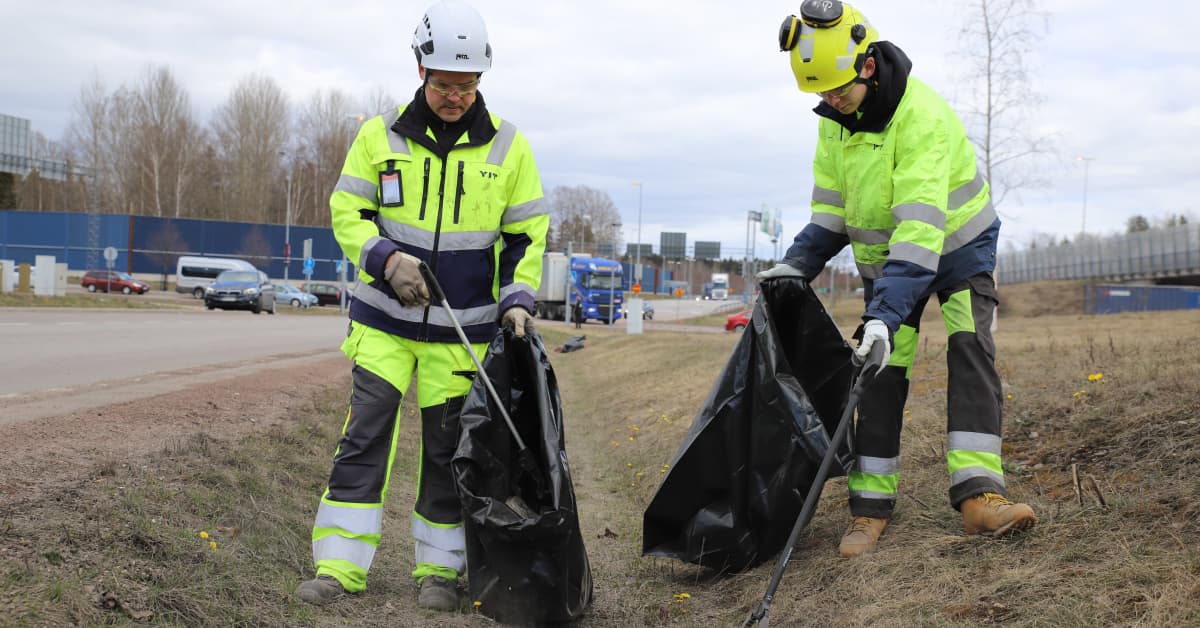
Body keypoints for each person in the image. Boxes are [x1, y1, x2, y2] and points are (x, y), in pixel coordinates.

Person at [759, 0, 1035, 558]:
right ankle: (869, 508)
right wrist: (794, 267)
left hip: (957, 250)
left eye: (837, 90)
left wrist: (882, 316)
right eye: (821, 94)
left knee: (970, 351)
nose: (830, 102)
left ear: (865, 66)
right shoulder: (834, 124)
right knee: (879, 375)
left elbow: (921, 228)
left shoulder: (922, 117)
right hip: (891, 266)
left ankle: (981, 496)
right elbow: (830, 214)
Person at [295, 0, 548, 611]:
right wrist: (386, 258)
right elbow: (346, 214)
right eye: (443, 84)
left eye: (466, 85)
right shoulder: (376, 137)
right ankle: (338, 568)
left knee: (445, 453)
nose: (455, 96)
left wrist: (517, 299)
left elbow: (526, 235)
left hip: (461, 335)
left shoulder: (510, 148)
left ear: (481, 80)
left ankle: (438, 574)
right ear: (420, 72)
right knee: (366, 436)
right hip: (383, 325)